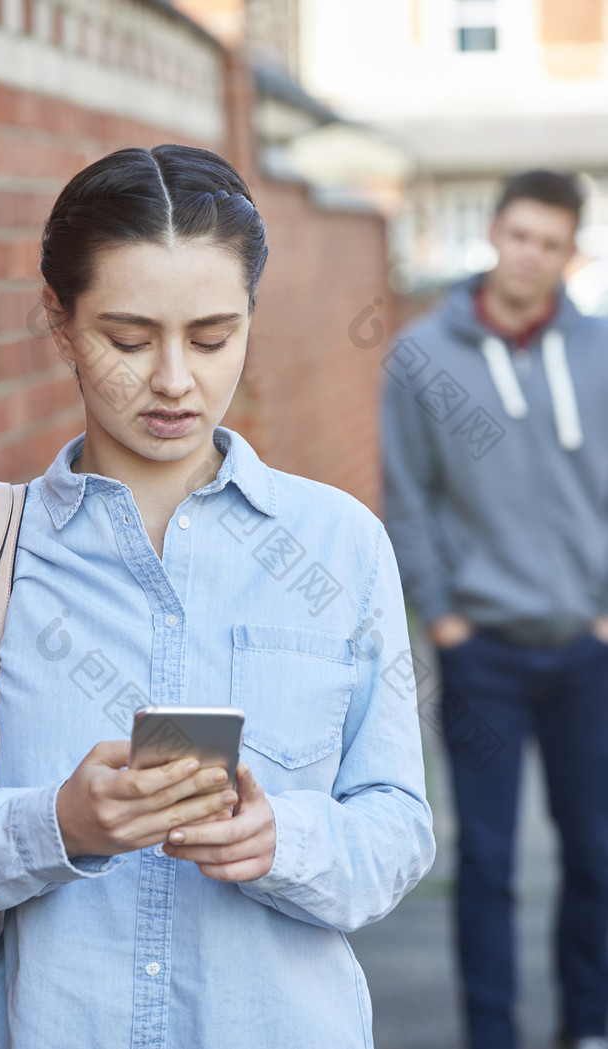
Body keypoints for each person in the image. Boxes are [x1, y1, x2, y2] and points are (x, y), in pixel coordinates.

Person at [0, 144, 435, 1049]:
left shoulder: (339, 543)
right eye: (127, 337)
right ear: (60, 322)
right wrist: (55, 825)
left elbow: (396, 830)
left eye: (211, 336)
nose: (174, 380)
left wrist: (284, 843)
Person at [383, 169, 608, 1049]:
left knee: (594, 853)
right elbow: (409, 497)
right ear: (494, 232)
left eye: (550, 243)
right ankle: (492, 1033)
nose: (530, 254)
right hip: (482, 650)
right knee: (487, 859)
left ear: (569, 253)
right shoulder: (423, 354)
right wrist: (443, 619)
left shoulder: (598, 350)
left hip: (587, 650)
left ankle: (588, 1023)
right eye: (519, 235)